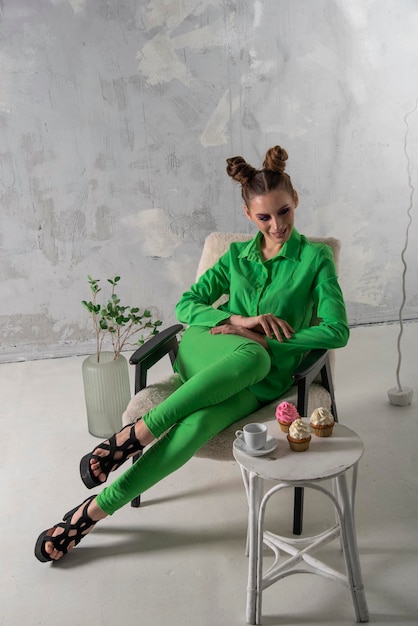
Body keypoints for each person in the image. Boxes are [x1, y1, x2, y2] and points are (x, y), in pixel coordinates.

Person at [35, 145, 349, 562]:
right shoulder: (235, 256)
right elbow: (186, 307)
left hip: (264, 379)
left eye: (285, 212)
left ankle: (88, 513)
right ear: (247, 216)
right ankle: (135, 436)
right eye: (264, 217)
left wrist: (272, 341)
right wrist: (240, 321)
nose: (277, 225)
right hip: (209, 348)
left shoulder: (315, 257)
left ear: (296, 203)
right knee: (252, 355)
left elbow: (336, 330)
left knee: (199, 422)